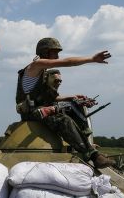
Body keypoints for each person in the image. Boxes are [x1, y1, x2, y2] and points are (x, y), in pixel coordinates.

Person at [15, 37, 115, 169]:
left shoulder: (43, 73)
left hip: (42, 108)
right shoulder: (35, 66)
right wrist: (91, 59)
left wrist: (72, 97)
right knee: (63, 120)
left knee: (73, 105)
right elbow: (68, 62)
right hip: (31, 112)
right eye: (55, 52)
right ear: (45, 52)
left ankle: (86, 142)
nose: (57, 56)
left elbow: (51, 98)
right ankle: (92, 155)